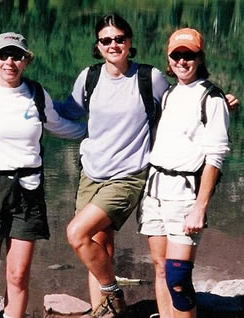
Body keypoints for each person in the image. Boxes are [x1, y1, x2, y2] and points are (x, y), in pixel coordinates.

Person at [0, 32, 86, 318]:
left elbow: (58, 125)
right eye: (3, 55)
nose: (10, 62)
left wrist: (96, 134)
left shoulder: (36, 93)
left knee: (18, 274)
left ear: (26, 61)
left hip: (28, 189)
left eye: (17, 56)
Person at [55, 13, 169, 317]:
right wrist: (29, 100)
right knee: (98, 246)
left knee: (77, 233)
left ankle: (111, 291)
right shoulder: (89, 77)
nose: (113, 44)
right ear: (98, 45)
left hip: (128, 175)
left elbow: (178, 105)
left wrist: (216, 99)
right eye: (106, 40)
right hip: (90, 173)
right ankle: (104, 313)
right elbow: (68, 111)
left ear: (129, 42)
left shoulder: (150, 78)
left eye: (119, 38)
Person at [138, 28, 230, 318]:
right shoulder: (169, 94)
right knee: (160, 268)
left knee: (178, 278)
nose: (182, 61)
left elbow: (215, 157)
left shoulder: (212, 99)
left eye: (188, 55)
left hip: (185, 195)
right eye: (176, 55)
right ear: (168, 58)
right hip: (155, 190)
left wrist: (199, 208)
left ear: (199, 58)